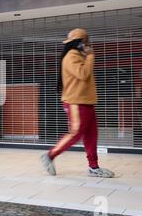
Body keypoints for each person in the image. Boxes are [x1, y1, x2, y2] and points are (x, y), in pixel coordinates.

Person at [41, 28, 115, 178]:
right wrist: (91, 56)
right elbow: (83, 74)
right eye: (86, 41)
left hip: (86, 102)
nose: (88, 44)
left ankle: (93, 167)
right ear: (79, 42)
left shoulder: (79, 55)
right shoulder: (71, 56)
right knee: (76, 133)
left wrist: (87, 56)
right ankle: (50, 155)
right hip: (75, 102)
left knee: (91, 135)